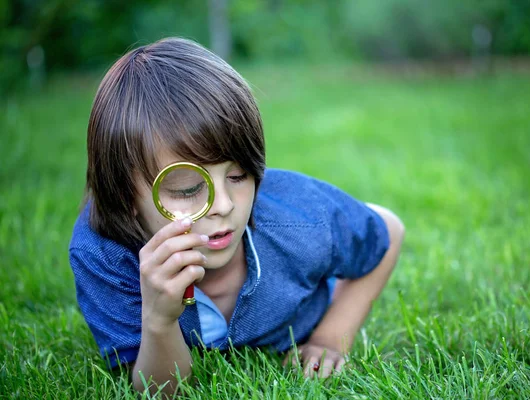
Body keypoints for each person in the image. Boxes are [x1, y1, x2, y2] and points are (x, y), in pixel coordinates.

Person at [69, 37, 404, 395]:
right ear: (123, 193)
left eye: (238, 175)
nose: (224, 205)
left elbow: (389, 230)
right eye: (186, 187)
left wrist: (330, 339)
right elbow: (161, 390)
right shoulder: (103, 256)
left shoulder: (300, 217)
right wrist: (158, 321)